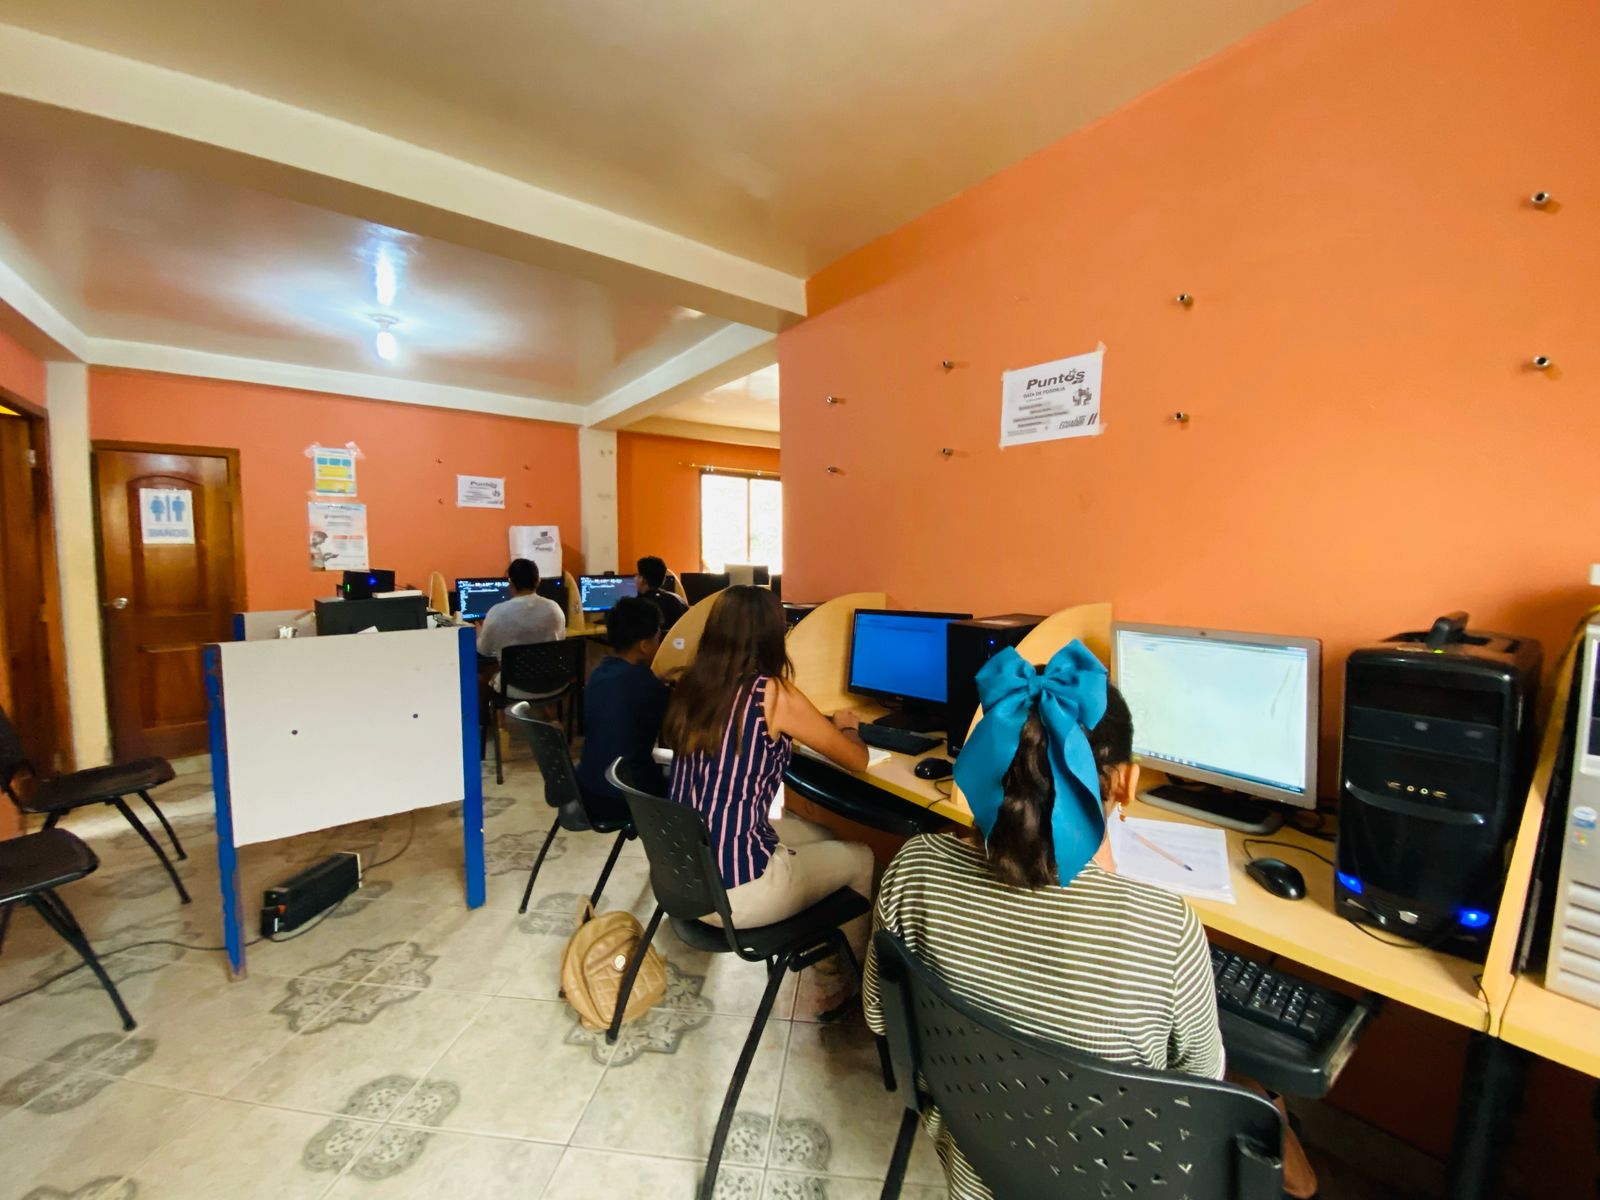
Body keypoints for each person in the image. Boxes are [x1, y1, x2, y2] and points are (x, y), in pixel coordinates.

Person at [862, 641, 1317, 1200]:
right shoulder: (1164, 926)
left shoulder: (915, 865)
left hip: (976, 1166)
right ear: (1126, 782)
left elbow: (881, 1018)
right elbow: (1200, 1083)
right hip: (1121, 1185)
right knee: (1260, 1104)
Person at [662, 585, 874, 1012]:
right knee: (862, 858)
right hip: (737, 893)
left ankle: (823, 949)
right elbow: (856, 760)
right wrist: (847, 726)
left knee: (822, 834)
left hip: (683, 878)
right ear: (773, 635)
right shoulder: (771, 694)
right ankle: (844, 985)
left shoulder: (690, 684)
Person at [575, 596, 670, 823]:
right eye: (658, 638)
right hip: (623, 796)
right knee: (693, 784)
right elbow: (679, 726)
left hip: (588, 787)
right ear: (645, 646)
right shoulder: (646, 686)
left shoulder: (599, 672)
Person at [476, 558, 566, 697]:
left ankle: (500, 712)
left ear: (511, 583)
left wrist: (479, 632)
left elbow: (484, 650)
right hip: (553, 685)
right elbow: (560, 641)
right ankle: (547, 711)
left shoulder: (497, 612)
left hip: (515, 687)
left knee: (483, 677)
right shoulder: (555, 608)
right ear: (538, 581)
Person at [635, 556, 688, 630]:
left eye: (637, 575)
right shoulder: (678, 600)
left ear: (642, 579)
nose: (635, 578)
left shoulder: (637, 606)